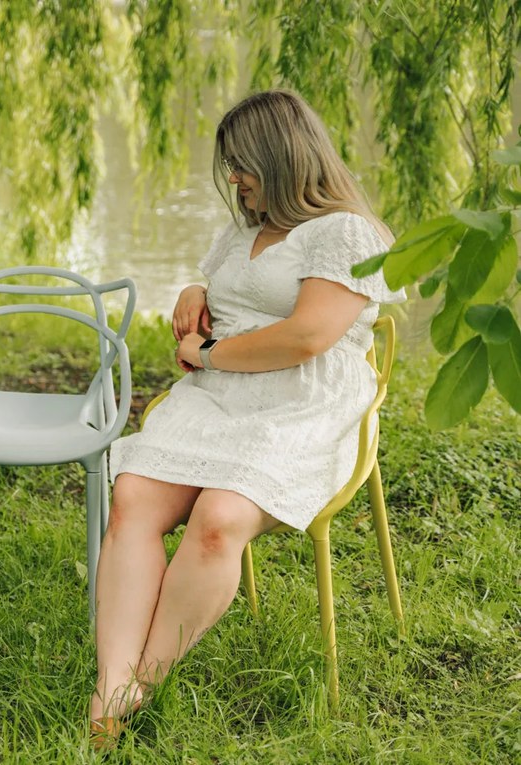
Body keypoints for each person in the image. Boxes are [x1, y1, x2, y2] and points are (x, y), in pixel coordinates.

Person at [88, 89, 406, 748]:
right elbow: (227, 284)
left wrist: (207, 352)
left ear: (283, 158)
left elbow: (307, 336)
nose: (233, 178)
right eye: (230, 166)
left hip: (301, 403)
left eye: (243, 165)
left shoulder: (345, 232)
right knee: (134, 496)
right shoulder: (245, 228)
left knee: (219, 518)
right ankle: (109, 686)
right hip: (220, 396)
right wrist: (193, 292)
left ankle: (140, 684)